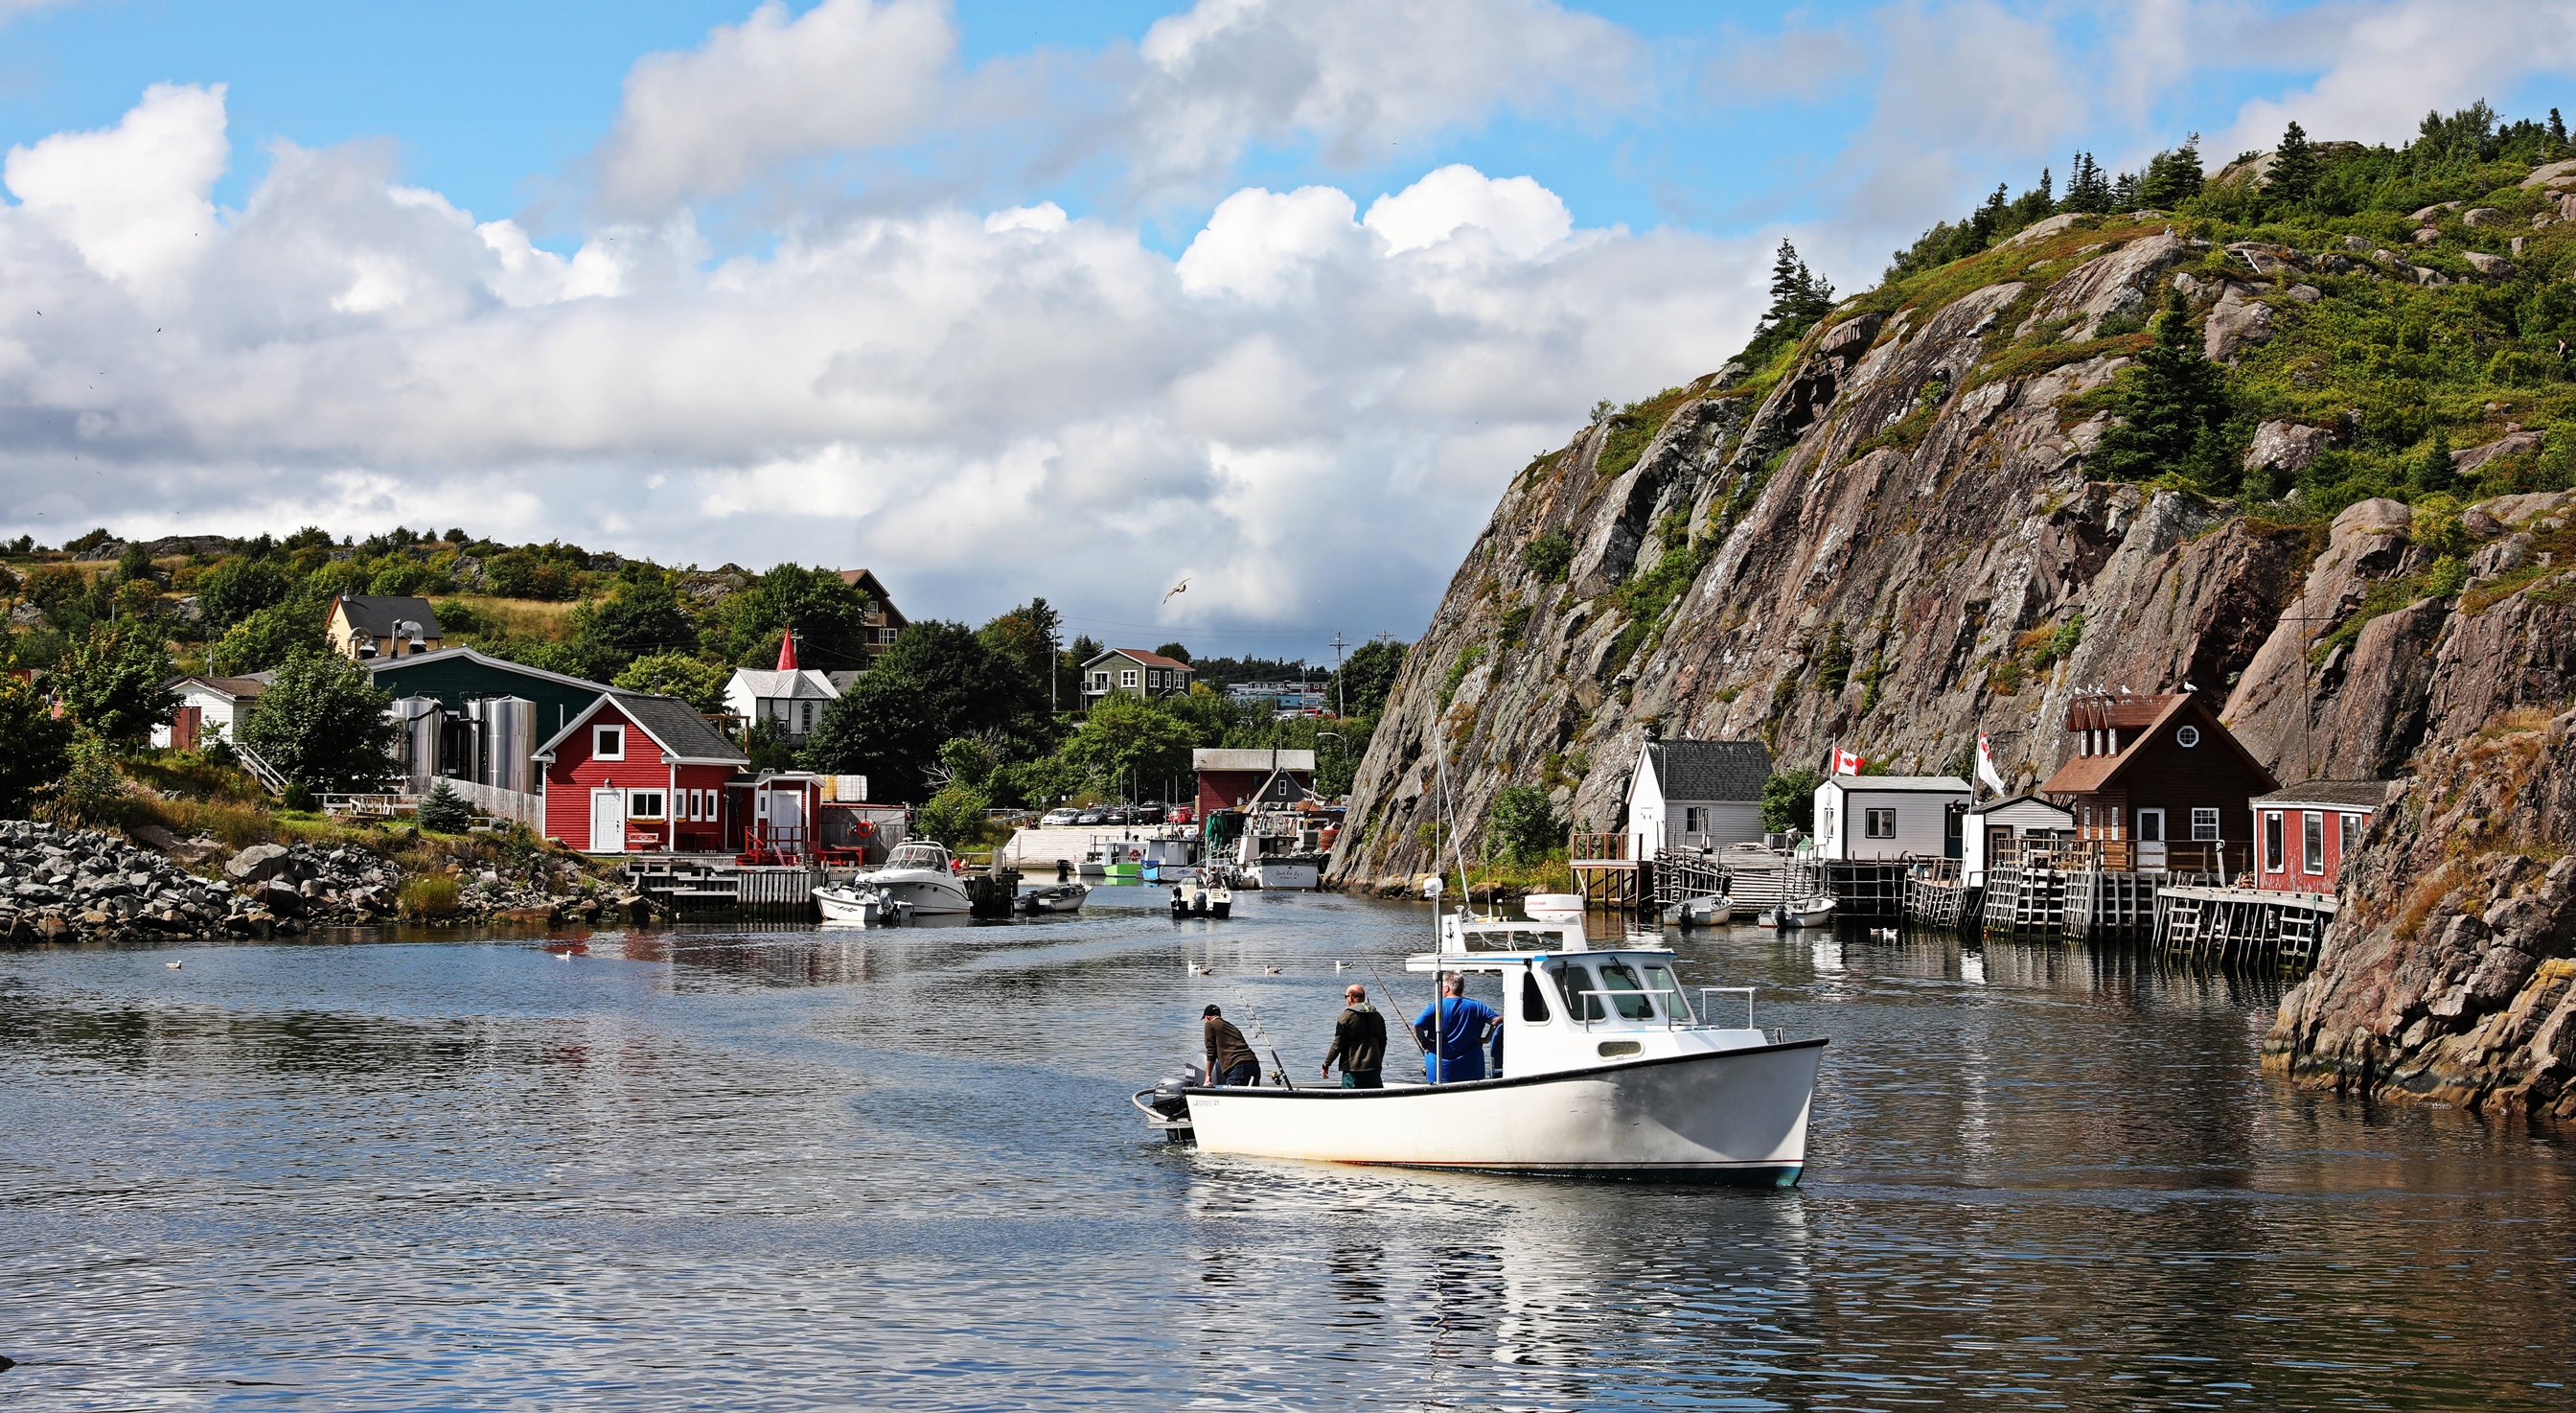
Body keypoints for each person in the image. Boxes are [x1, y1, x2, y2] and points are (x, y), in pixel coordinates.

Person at [1413, 971, 1500, 1083]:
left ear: (1447, 988)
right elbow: (1497, 1020)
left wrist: (1423, 1040)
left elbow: (1417, 1026)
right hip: (1471, 1068)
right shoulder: (1478, 1006)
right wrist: (1487, 1039)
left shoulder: (1435, 1006)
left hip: (1440, 1069)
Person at [1321, 984, 1386, 1089]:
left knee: (1350, 1101)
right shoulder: (1378, 1017)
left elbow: (1337, 1045)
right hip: (1374, 1068)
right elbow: (1383, 1042)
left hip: (1352, 1070)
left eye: (1345, 996)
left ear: (1351, 997)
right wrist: (1378, 1061)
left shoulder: (1345, 1017)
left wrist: (1326, 1064)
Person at [1204, 1005, 1259, 1087]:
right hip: (1253, 1064)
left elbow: (1211, 1051)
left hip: (1237, 1066)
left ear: (1208, 1018)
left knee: (1232, 1098)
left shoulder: (1210, 1025)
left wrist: (1208, 1076)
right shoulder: (1231, 1026)